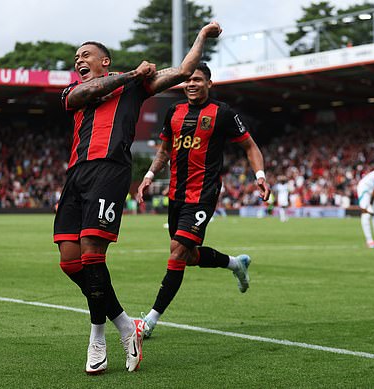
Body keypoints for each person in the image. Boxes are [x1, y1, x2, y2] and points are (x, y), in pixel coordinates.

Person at [53, 22, 222, 375]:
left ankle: (97, 336)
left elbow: (184, 70)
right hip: (76, 174)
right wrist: (132, 73)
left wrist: (202, 38)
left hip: (110, 171)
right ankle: (126, 326)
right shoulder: (75, 90)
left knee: (91, 254)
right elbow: (86, 93)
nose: (78, 60)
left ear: (104, 60)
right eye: (76, 57)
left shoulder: (133, 90)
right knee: (70, 262)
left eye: (85, 55)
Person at [136, 62, 270, 338]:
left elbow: (250, 145)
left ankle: (149, 321)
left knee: (177, 252)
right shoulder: (173, 111)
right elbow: (164, 151)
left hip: (203, 195)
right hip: (176, 195)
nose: (192, 84)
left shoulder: (222, 113)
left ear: (210, 84)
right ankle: (236, 264)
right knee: (190, 256)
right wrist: (149, 175)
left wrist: (259, 175)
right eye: (188, 80)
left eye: (198, 80)